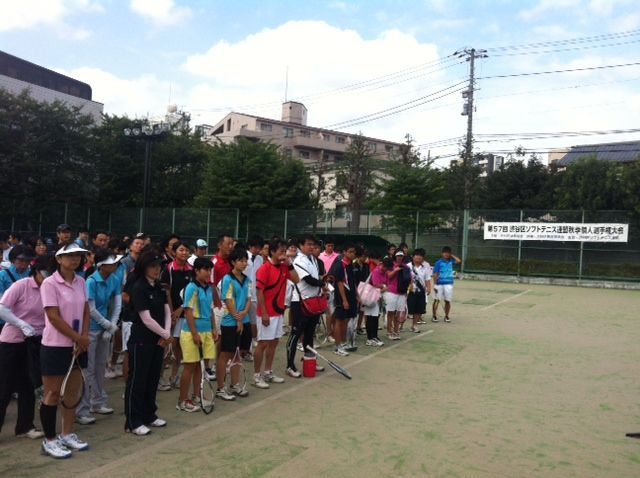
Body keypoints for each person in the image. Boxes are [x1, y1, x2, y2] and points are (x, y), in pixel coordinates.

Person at [39, 242, 91, 458]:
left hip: (78, 346)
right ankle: (49, 440)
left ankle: (67, 434)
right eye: (70, 255)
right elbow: (53, 316)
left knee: (71, 393)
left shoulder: (81, 281)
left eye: (78, 255)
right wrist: (78, 338)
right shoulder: (49, 283)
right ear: (59, 259)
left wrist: (83, 338)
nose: (75, 259)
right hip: (55, 346)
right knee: (52, 393)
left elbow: (86, 310)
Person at [0, 256, 50, 440]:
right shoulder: (21, 286)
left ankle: (25, 426)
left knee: (28, 384)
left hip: (36, 341)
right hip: (13, 341)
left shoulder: (51, 289)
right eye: (45, 273)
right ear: (36, 271)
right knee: (5, 386)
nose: (48, 277)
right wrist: (21, 324)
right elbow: (2, 308)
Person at [125, 251, 172, 436]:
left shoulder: (159, 287)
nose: (156, 269)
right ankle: (133, 421)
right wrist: (165, 334)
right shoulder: (138, 287)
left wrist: (166, 333)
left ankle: (149, 414)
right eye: (152, 266)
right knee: (138, 380)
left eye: (158, 266)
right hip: (141, 340)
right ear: (144, 267)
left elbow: (167, 311)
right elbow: (146, 319)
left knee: (152, 378)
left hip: (158, 340)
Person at [75, 250, 123, 425]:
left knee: (100, 366)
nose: (115, 265)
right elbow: (91, 309)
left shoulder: (114, 279)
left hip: (105, 328)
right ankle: (82, 410)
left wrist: (112, 324)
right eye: (111, 262)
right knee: (88, 369)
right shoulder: (91, 281)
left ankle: (98, 402)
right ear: (102, 265)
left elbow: (117, 304)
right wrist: (108, 325)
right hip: (91, 329)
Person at [253, 239, 298, 389]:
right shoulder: (264, 269)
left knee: (274, 342)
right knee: (263, 344)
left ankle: (268, 372)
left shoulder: (284, 267)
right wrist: (264, 313)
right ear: (272, 252)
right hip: (266, 314)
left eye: (285, 251)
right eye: (281, 251)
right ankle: (256, 376)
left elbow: (296, 280)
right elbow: (259, 292)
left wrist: (289, 264)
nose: (284, 254)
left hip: (278, 312)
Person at [177, 258, 216, 412]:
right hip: (191, 332)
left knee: (200, 366)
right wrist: (194, 333)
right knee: (190, 367)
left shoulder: (209, 288)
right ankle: (182, 401)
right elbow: (188, 312)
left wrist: (214, 328)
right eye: (205, 270)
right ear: (197, 271)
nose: (208, 273)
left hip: (207, 331)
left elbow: (211, 310)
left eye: (210, 270)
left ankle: (196, 395)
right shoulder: (191, 288)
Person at [286, 234, 326, 377]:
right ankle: (290, 365)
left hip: (313, 301)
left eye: (313, 244)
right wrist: (324, 283)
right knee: (296, 334)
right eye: (308, 244)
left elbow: (317, 279)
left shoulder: (313, 259)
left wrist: (323, 285)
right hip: (300, 302)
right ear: (301, 246)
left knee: (309, 333)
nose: (311, 247)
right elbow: (309, 280)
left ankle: (310, 359)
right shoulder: (298, 260)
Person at [216, 248, 252, 400]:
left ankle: (235, 384)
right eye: (240, 261)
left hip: (244, 320)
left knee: (238, 354)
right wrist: (238, 319)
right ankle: (220, 388)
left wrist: (244, 313)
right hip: (230, 322)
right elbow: (228, 300)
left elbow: (249, 299)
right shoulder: (227, 279)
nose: (244, 263)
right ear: (233, 262)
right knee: (226, 354)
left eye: (245, 261)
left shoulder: (247, 280)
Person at [159, 241, 193, 389]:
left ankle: (174, 376)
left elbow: (191, 293)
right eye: (181, 250)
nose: (184, 253)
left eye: (186, 250)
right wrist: (171, 313)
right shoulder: (168, 269)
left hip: (184, 313)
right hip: (170, 314)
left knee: (179, 347)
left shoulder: (191, 270)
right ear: (174, 252)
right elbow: (166, 293)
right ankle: (160, 377)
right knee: (167, 347)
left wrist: (181, 309)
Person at [329, 244, 357, 356]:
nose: (352, 254)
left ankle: (343, 342)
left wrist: (357, 295)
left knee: (345, 320)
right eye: (350, 251)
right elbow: (340, 283)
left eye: (353, 252)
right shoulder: (340, 265)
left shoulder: (351, 265)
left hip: (351, 296)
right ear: (344, 252)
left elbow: (352, 282)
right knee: (339, 321)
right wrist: (344, 300)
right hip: (341, 298)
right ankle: (337, 346)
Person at [0, 245, 34, 332]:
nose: (24, 263)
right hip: (6, 320)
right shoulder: (2, 275)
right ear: (13, 259)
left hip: (29, 319)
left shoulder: (33, 275)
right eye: (21, 260)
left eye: (27, 260)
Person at [245, 235, 264, 360]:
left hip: (255, 294)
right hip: (244, 295)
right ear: (250, 246)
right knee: (244, 323)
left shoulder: (260, 259)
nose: (258, 250)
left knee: (253, 322)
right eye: (256, 247)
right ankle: (244, 349)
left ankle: (250, 346)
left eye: (259, 248)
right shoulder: (243, 257)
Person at [384, 251, 410, 340]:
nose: (400, 257)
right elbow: (388, 276)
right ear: (395, 256)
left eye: (401, 256)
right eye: (398, 256)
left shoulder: (406, 267)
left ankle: (396, 331)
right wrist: (395, 270)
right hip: (391, 292)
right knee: (390, 313)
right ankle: (389, 332)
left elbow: (409, 279)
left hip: (402, 293)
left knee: (398, 313)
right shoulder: (391, 266)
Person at [432, 247, 461, 323]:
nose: (446, 254)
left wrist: (452, 255)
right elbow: (435, 274)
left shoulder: (451, 261)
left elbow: (458, 261)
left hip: (449, 284)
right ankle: (434, 316)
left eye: (448, 253)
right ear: (442, 253)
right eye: (445, 252)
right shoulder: (438, 262)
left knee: (447, 301)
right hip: (439, 284)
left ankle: (446, 316)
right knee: (437, 300)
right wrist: (435, 285)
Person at [363, 258, 387, 347]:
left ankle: (374, 337)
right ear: (383, 265)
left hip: (376, 297)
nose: (386, 270)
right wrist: (384, 286)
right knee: (371, 317)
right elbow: (375, 284)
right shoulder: (376, 271)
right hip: (370, 297)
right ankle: (370, 338)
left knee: (375, 317)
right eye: (386, 267)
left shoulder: (383, 272)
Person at [407, 248, 432, 333]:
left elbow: (427, 279)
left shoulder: (425, 268)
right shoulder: (408, 266)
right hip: (409, 291)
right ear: (413, 256)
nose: (418, 257)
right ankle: (400, 326)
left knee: (418, 309)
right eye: (417, 255)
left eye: (421, 255)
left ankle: (414, 325)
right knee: (406, 309)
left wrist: (429, 288)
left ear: (423, 258)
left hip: (421, 291)